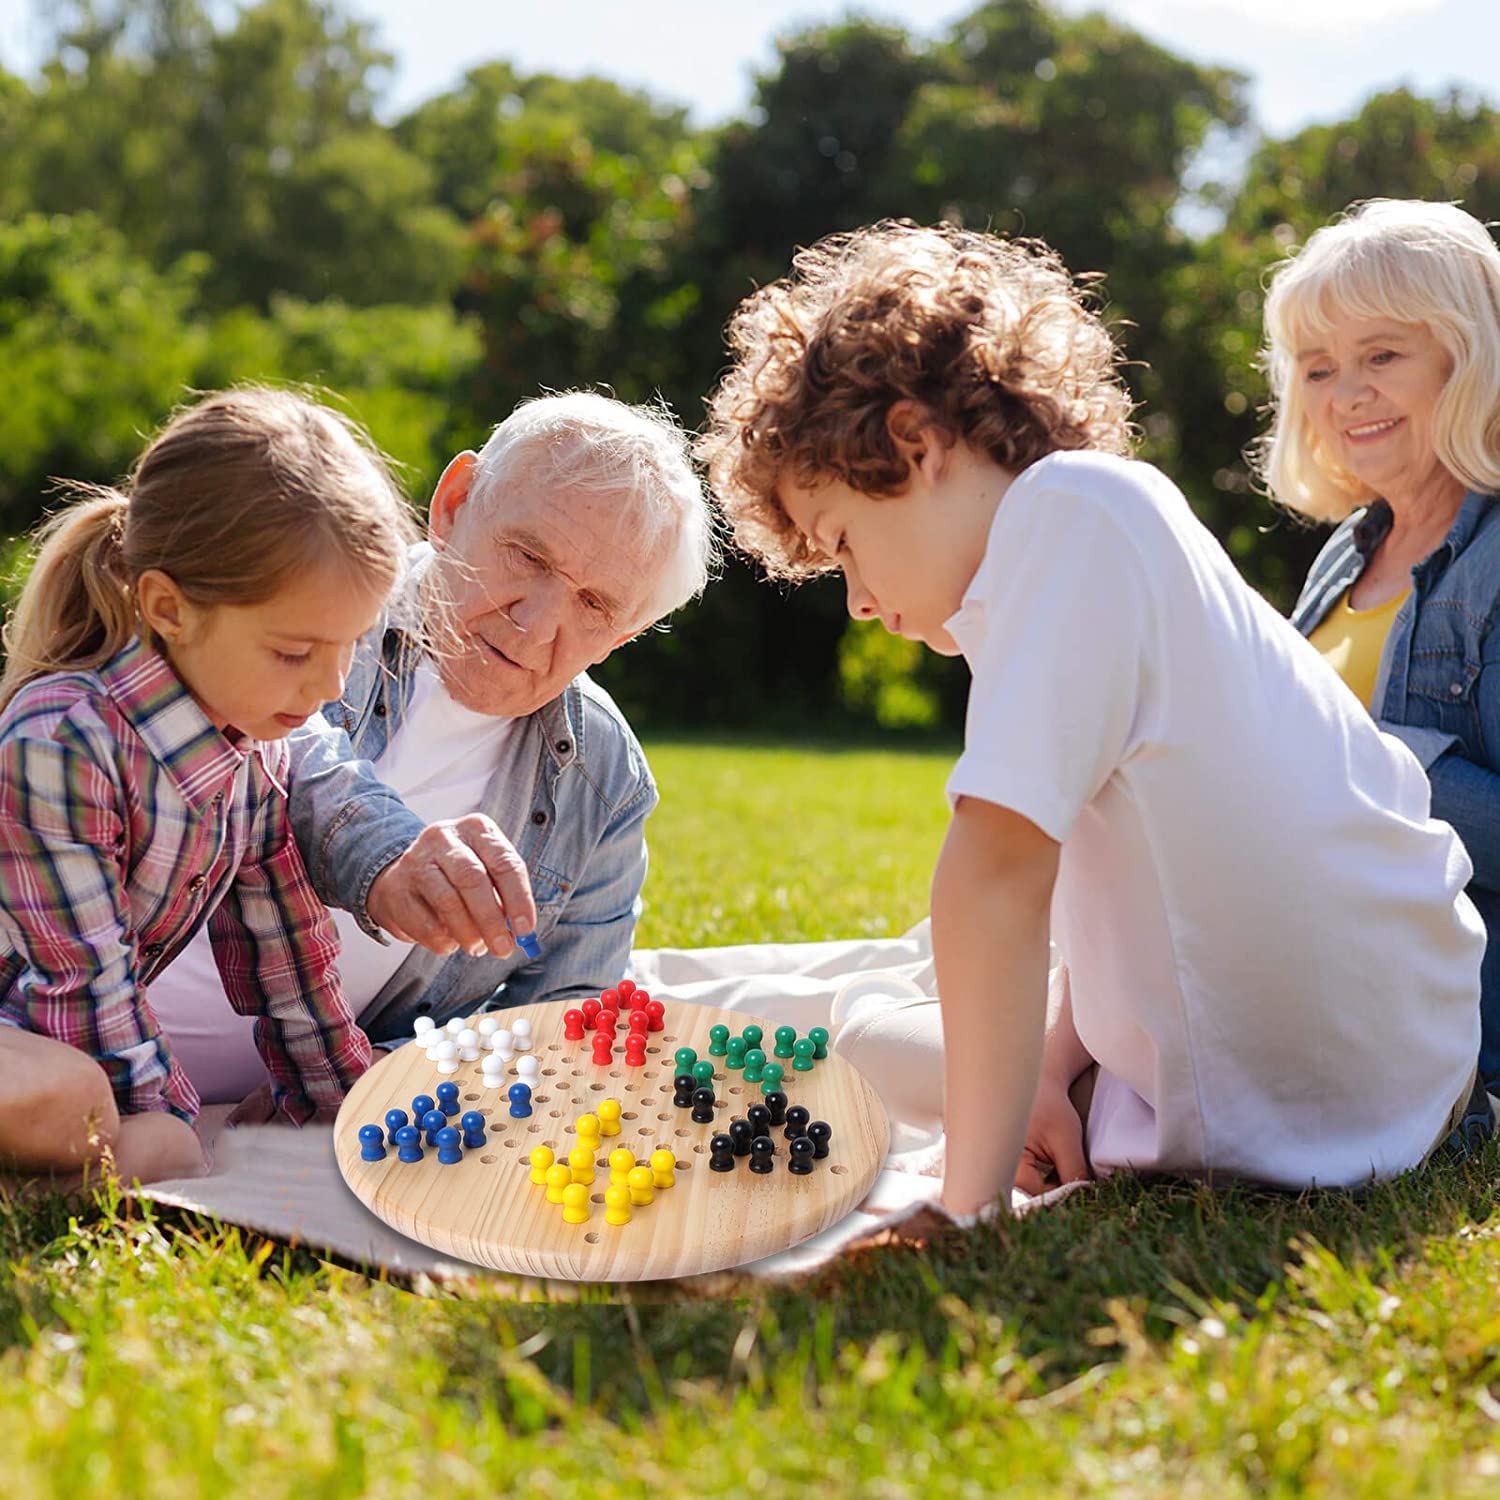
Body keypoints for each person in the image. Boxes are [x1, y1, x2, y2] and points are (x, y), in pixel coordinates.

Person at [696, 220, 1490, 1223]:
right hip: (1380, 1085)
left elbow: (995, 877)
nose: (856, 597)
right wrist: (1042, 1063)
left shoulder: (1071, 516)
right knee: (908, 1015)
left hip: (1321, 1102)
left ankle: (661, 1008)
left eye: (843, 542)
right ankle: (1015, 1072)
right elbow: (1120, 893)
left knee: (860, 1038)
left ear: (914, 440)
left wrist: (966, 1208)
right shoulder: (1081, 539)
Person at [146, 391, 716, 1105]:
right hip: (77, 1027)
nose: (537, 625)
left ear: (624, 636)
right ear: (454, 503)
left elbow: (563, 1020)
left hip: (297, 1108)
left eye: (595, 606)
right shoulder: (301, 608)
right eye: (527, 554)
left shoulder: (604, 778)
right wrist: (385, 857)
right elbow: (285, 759)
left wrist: (378, 1080)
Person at [0, 387, 414, 1188]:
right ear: (168, 608)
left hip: (40, 1044)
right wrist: (172, 1126)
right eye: (295, 651)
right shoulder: (62, 741)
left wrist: (350, 1105)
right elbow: (83, 990)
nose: (331, 687)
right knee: (91, 1108)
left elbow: (286, 960)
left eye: (349, 647)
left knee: (104, 1119)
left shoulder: (254, 746)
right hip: (43, 1036)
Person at [1261, 199, 1500, 1102]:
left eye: (1383, 356)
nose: (1345, 394)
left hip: (1441, 1013)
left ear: (1467, 356)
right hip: (1305, 954)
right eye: (1318, 368)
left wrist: (1368, 761)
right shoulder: (1342, 555)